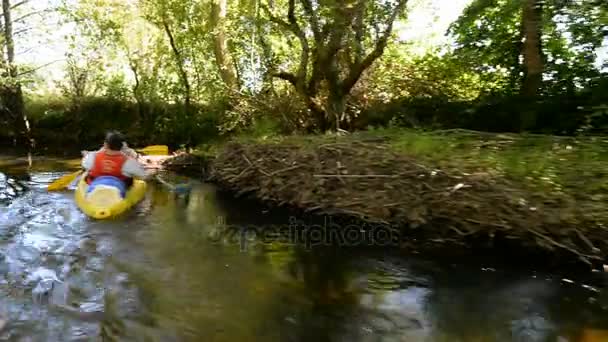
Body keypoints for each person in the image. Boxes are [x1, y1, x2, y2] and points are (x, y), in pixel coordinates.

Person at [81, 131, 155, 188]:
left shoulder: (93, 156)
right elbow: (143, 175)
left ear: (105, 144)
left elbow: (84, 164)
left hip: (94, 188)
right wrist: (152, 174)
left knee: (87, 173)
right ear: (122, 146)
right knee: (130, 178)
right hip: (118, 191)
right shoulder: (128, 161)